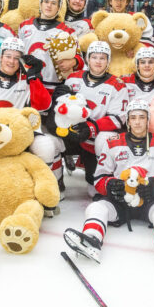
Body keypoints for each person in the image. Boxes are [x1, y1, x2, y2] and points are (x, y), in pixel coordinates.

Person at [62, 99, 154, 268]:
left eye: (142, 117)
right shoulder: (112, 142)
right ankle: (91, 240)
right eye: (133, 117)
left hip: (150, 201)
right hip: (120, 202)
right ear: (128, 121)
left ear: (148, 119)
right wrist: (111, 185)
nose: (137, 122)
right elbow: (100, 178)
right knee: (96, 207)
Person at [45, 42, 129, 198]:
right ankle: (56, 183)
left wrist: (91, 127)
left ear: (108, 61)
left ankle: (97, 179)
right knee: (49, 143)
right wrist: (58, 97)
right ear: (87, 59)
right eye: (94, 57)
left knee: (94, 192)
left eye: (102, 58)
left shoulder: (118, 85)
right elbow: (64, 106)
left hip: (94, 138)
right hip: (72, 134)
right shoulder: (72, 78)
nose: (98, 61)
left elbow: (118, 119)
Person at [18, 0, 81, 96]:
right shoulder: (24, 26)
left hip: (53, 88)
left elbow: (80, 59)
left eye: (54, 3)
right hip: (25, 85)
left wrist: (73, 62)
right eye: (46, 1)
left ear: (58, 7)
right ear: (40, 3)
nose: (49, 5)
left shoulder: (67, 31)